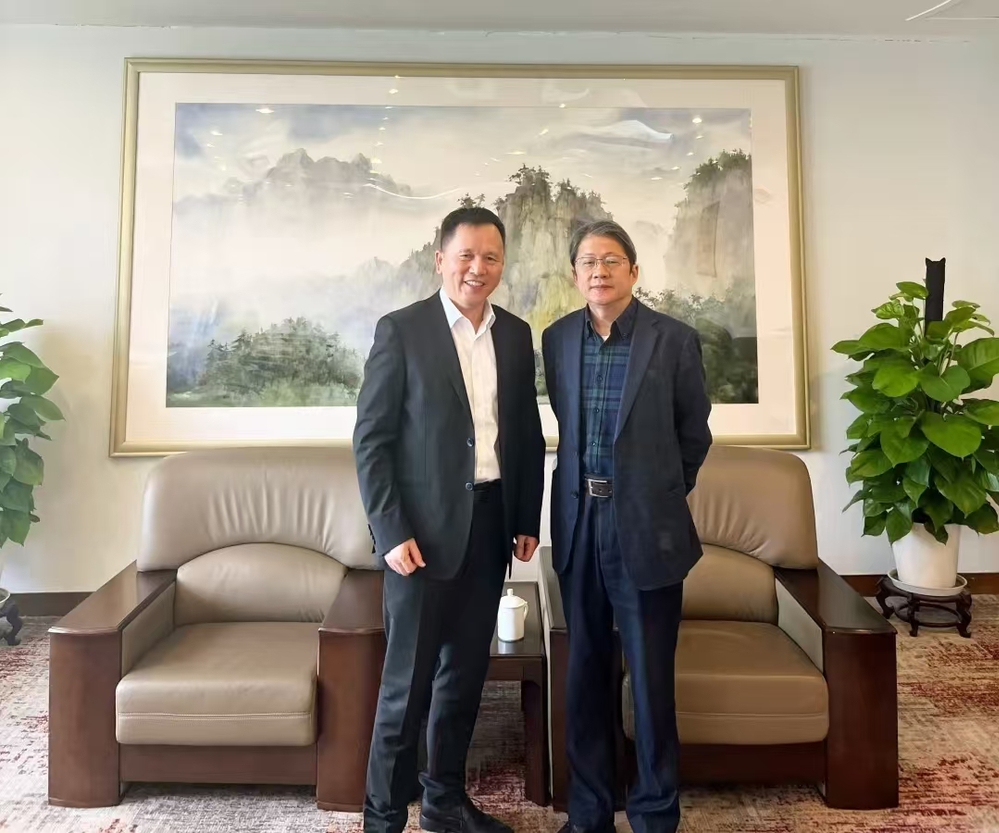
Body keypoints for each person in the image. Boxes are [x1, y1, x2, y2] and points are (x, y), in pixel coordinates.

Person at [353, 206, 546, 833]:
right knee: (405, 688)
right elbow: (372, 442)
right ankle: (382, 818)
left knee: (464, 678)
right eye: (466, 255)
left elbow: (524, 432)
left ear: (502, 265)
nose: (477, 268)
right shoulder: (402, 331)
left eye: (491, 257)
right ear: (440, 260)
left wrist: (526, 515)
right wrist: (391, 531)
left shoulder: (514, 335)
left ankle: (444, 803)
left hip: (490, 528)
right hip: (419, 538)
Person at [542, 220, 712, 833]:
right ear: (575, 275)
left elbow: (694, 436)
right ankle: (589, 812)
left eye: (611, 260)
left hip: (645, 525)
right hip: (578, 521)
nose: (599, 271)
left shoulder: (674, 340)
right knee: (585, 672)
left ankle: (654, 813)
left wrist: (655, 496)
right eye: (588, 262)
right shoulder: (557, 338)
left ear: (634, 271)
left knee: (650, 680)